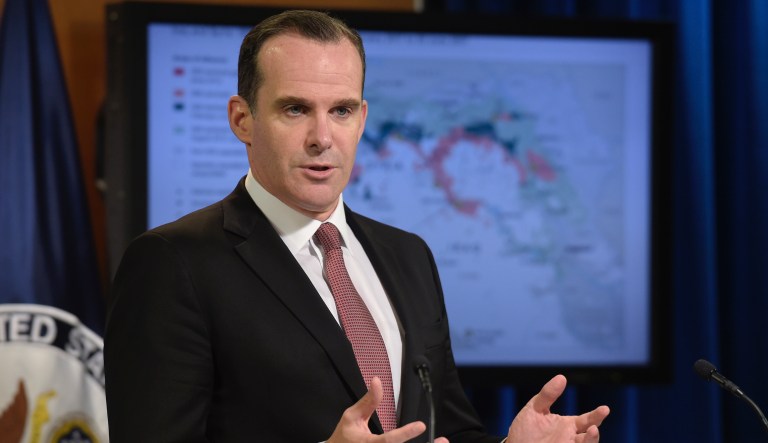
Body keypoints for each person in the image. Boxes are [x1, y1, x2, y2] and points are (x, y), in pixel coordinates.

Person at [104, 9, 609, 442]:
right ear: (242, 119)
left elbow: (444, 428)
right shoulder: (173, 262)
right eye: (295, 109)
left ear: (363, 119)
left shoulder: (407, 255)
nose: (322, 137)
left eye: (341, 110)